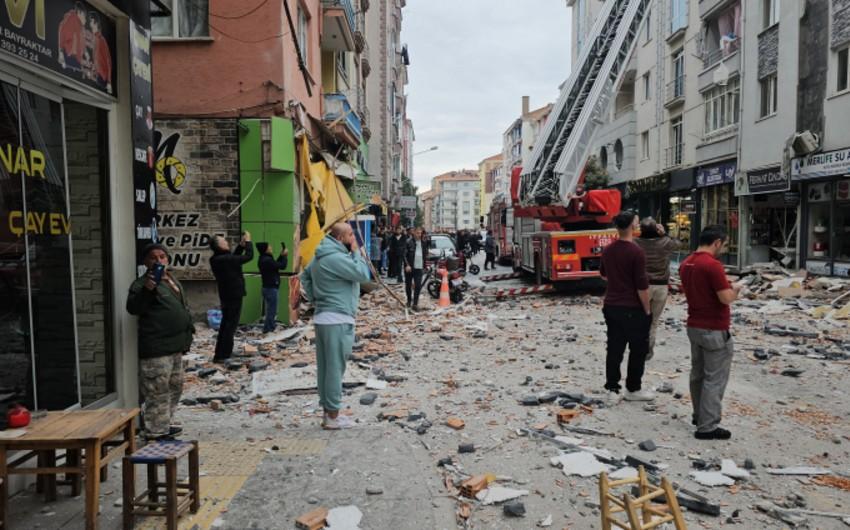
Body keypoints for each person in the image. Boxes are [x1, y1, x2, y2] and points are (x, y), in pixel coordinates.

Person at [300, 223, 371, 429]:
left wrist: (315, 298)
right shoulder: (336, 258)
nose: (353, 239)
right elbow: (362, 275)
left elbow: (305, 276)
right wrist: (357, 253)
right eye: (350, 235)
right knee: (334, 370)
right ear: (341, 238)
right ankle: (333, 417)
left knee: (326, 368)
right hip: (338, 318)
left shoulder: (322, 255)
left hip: (324, 317)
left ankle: (328, 414)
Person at [126, 244, 194, 440]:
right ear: (146, 262)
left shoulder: (172, 281)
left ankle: (163, 424)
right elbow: (133, 308)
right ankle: (155, 433)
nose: (158, 261)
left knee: (175, 386)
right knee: (157, 391)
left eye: (162, 256)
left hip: (175, 348)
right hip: (157, 350)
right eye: (153, 257)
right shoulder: (142, 284)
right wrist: (148, 290)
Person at [680, 225, 740, 441]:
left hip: (694, 325)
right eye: (723, 245)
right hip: (714, 327)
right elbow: (725, 298)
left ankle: (699, 415)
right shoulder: (712, 265)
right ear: (717, 242)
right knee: (714, 378)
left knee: (698, 375)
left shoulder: (687, 263)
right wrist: (737, 291)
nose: (723, 249)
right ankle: (707, 426)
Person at [599, 211, 654, 403]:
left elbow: (603, 274)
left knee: (614, 348)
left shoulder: (608, 249)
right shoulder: (636, 252)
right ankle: (633, 388)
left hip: (612, 305)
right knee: (638, 349)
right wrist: (647, 309)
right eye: (637, 221)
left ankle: (612, 388)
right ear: (632, 226)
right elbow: (642, 286)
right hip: (632, 307)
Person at [634, 218, 681, 360]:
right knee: (653, 321)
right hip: (661, 286)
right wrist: (665, 233)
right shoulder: (665, 242)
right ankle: (648, 351)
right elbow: (678, 244)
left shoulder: (635, 243)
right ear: (657, 229)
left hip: (642, 287)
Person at [209, 232, 253, 362]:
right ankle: (224, 355)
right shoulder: (223, 259)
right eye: (223, 241)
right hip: (233, 295)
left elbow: (233, 258)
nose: (226, 242)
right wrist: (249, 242)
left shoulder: (218, 259)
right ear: (219, 246)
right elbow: (248, 257)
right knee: (230, 325)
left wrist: (240, 246)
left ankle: (220, 353)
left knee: (225, 324)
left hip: (227, 294)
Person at [257, 242, 289, 334]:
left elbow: (276, 265)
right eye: (269, 246)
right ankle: (268, 330)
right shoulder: (266, 260)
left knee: (271, 310)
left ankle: (269, 327)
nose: (271, 248)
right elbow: (282, 266)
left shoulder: (265, 259)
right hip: (270, 289)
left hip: (269, 288)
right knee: (272, 311)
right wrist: (285, 256)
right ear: (266, 249)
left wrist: (281, 255)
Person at [403, 227, 428, 310]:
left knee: (418, 285)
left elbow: (425, 255)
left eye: (420, 233)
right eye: (417, 233)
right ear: (413, 233)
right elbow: (404, 255)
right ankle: (409, 301)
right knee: (408, 285)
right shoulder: (408, 242)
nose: (419, 235)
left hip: (419, 267)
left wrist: (425, 266)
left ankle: (415, 303)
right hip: (410, 267)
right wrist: (407, 265)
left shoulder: (423, 243)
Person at [58, 3, 86, 70]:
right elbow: (63, 33)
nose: (84, 17)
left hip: (74, 57)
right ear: (79, 12)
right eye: (83, 15)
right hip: (70, 54)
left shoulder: (79, 25)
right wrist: (61, 52)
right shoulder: (72, 18)